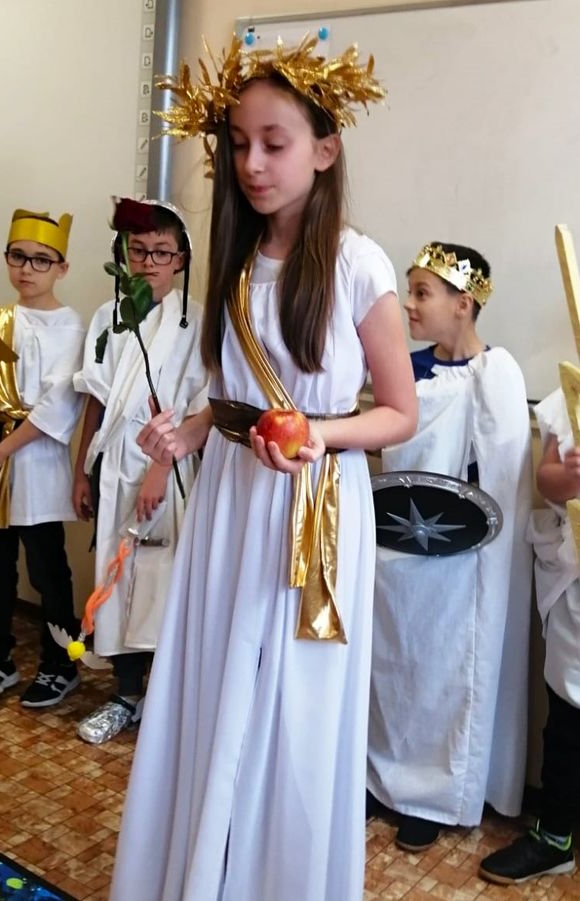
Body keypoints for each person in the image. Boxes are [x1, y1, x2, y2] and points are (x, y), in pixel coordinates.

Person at [110, 37, 418, 901]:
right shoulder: (238, 257)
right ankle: (203, 872)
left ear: (324, 149)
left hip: (313, 505)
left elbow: (400, 412)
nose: (252, 163)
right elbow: (232, 396)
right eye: (239, 144)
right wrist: (190, 430)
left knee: (293, 703)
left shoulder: (357, 263)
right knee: (215, 679)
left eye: (274, 144)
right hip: (233, 495)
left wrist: (320, 433)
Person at [367, 243, 533, 850]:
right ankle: (384, 778)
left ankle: (433, 795)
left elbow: (504, 479)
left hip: (465, 563)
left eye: (422, 293)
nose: (408, 305)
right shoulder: (404, 369)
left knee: (447, 673)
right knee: (394, 665)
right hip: (399, 553)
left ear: (464, 304)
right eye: (408, 291)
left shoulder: (499, 374)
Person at [71, 199, 208, 743]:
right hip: (113, 464)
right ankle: (125, 696)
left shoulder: (197, 321)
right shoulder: (108, 317)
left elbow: (202, 406)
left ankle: (164, 702)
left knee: (160, 580)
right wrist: (82, 471)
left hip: (167, 466)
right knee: (115, 575)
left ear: (181, 259)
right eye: (139, 250)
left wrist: (160, 466)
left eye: (161, 252)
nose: (149, 261)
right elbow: (96, 399)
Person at [0, 209, 84, 708]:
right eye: (18, 257)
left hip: (36, 463)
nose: (27, 268)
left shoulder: (71, 326)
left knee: (48, 570)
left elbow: (58, 405)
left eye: (41, 260)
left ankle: (60, 663)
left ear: (62, 268)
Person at [478, 388, 578, 884]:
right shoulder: (569, 396)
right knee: (567, 709)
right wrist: (572, 476)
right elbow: (547, 478)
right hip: (575, 582)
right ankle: (554, 837)